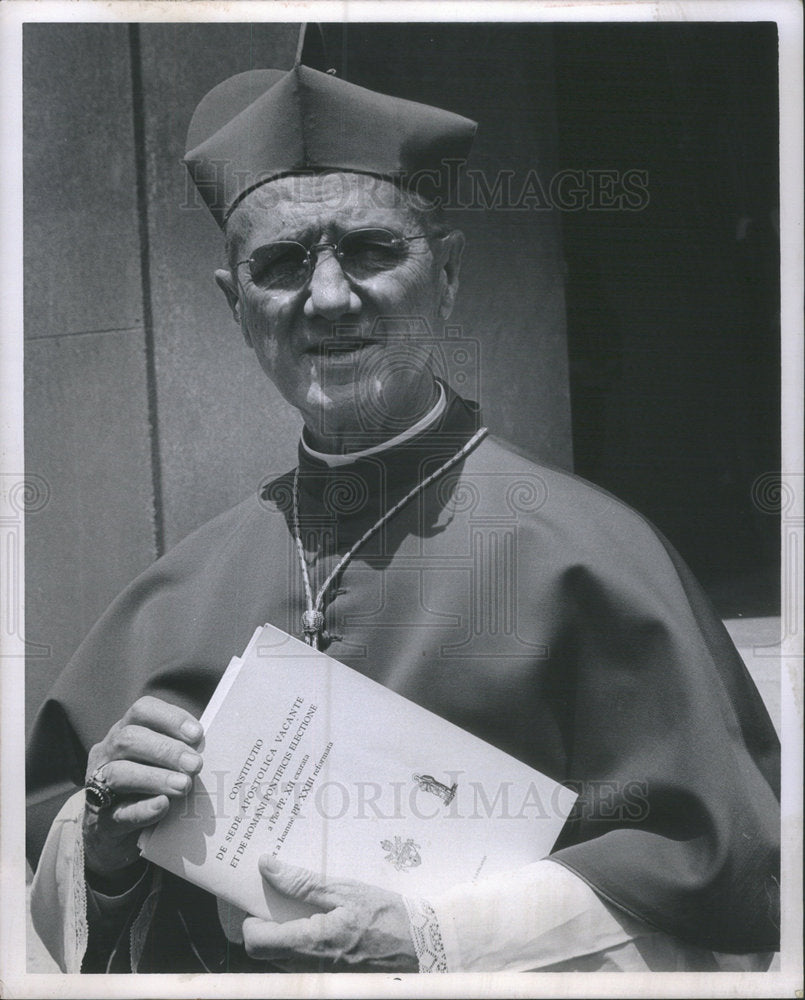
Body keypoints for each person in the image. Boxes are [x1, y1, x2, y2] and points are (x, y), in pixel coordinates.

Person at [26, 63, 780, 975]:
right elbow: (69, 853)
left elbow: (723, 870)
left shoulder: (587, 555)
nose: (330, 297)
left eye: (373, 251)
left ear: (448, 274)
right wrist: (102, 846)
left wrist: (438, 939)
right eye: (281, 263)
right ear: (237, 306)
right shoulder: (178, 589)